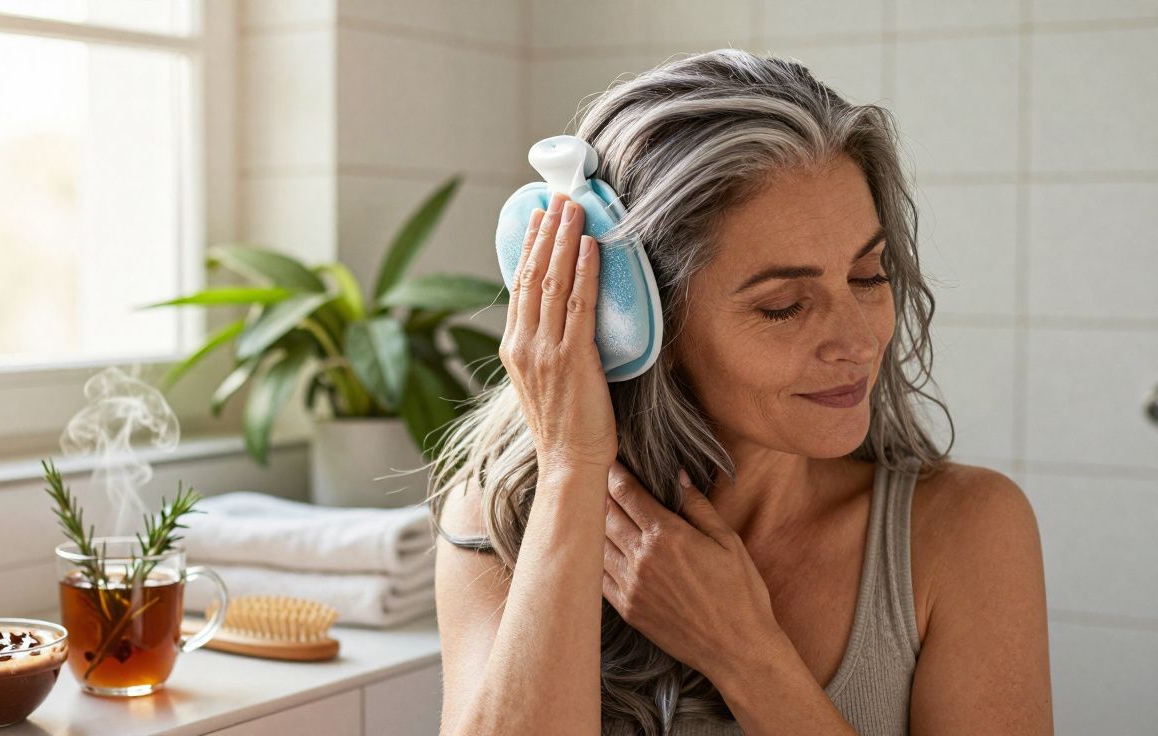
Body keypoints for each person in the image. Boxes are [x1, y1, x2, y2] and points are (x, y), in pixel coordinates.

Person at [422, 49, 1052, 735]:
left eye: (868, 276)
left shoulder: (964, 531)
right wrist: (571, 468)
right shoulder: (507, 513)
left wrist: (744, 653)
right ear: (626, 320)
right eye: (784, 305)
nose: (859, 340)